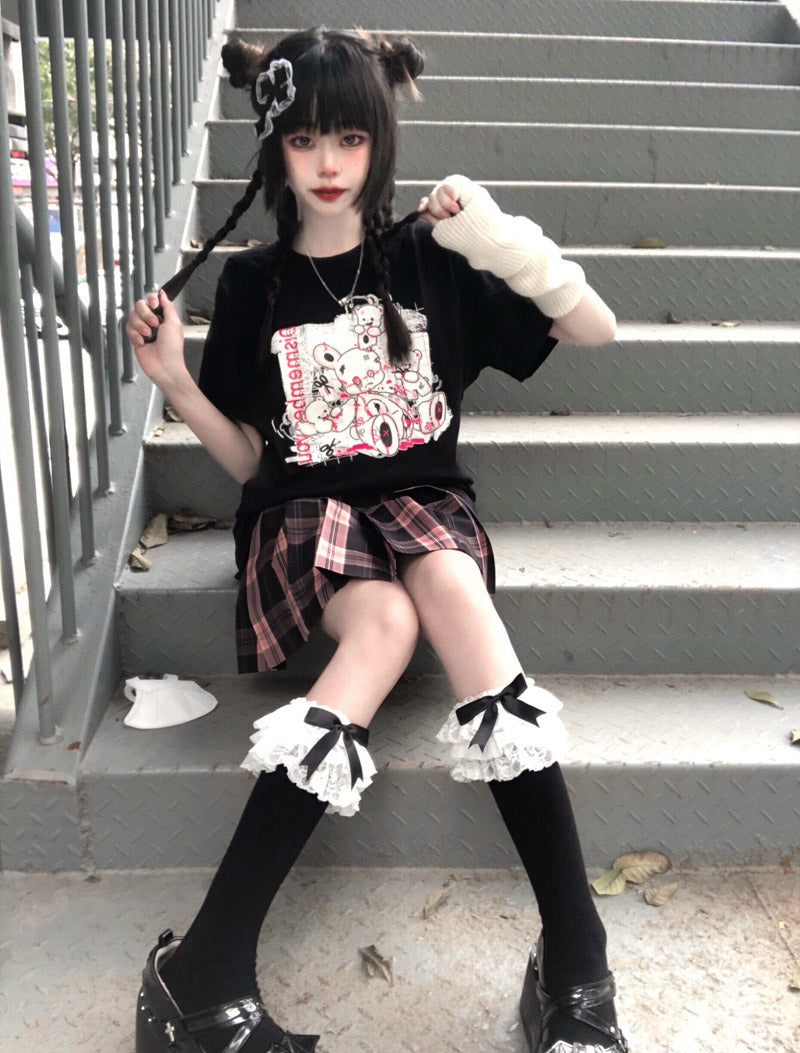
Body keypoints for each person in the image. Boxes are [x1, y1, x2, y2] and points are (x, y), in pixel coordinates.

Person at [126, 27, 628, 1053]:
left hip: (424, 507)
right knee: (386, 623)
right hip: (302, 519)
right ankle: (207, 967)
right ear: (274, 146)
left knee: (448, 583)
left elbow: (596, 330)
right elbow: (252, 461)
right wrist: (175, 381)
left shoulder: (429, 257)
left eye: (349, 138)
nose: (326, 162)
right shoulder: (255, 286)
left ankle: (578, 957)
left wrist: (494, 235)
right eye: (304, 137)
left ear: (379, 142)